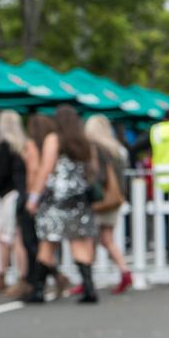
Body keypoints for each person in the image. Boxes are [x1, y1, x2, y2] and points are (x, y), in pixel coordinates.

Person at [24, 105, 101, 304]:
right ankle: (89, 288)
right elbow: (94, 170)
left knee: (47, 244)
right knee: (80, 244)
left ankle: (38, 290)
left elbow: (45, 170)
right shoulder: (85, 142)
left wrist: (33, 198)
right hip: (79, 200)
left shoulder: (54, 139)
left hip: (56, 201)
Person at [85, 114, 134, 294]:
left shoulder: (97, 148)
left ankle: (87, 278)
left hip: (101, 199)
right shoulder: (118, 149)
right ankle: (124, 271)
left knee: (91, 240)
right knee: (107, 239)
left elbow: (98, 176)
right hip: (116, 198)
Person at [0, 111, 29, 295]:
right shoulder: (23, 146)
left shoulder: (5, 146)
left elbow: (1, 174)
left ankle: (20, 278)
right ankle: (5, 275)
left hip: (10, 196)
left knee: (10, 237)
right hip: (20, 194)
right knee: (11, 237)